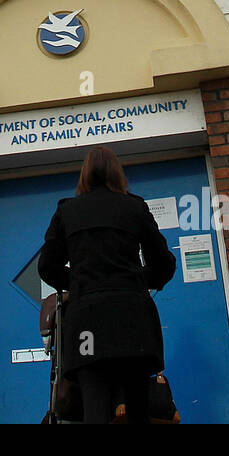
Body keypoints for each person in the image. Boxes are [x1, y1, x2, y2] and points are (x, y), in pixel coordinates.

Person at [38, 145, 177, 424]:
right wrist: (138, 280)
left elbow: (47, 267)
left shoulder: (67, 211)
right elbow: (164, 264)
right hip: (133, 317)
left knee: (95, 405)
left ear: (84, 175)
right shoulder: (135, 207)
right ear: (118, 173)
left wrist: (78, 282)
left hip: (88, 319)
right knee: (138, 407)